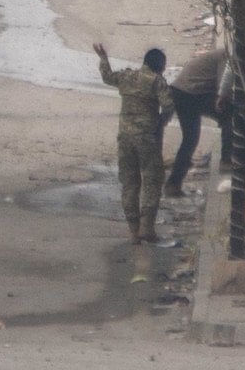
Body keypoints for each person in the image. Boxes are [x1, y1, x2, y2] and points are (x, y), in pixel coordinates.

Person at [95, 43, 174, 244]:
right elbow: (168, 106)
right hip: (147, 138)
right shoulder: (156, 81)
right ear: (160, 65)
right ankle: (147, 228)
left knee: (129, 183)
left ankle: (133, 231)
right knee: (152, 180)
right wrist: (160, 123)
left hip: (125, 138)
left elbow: (107, 77)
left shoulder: (127, 76)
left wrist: (103, 58)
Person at [165, 49, 235, 197]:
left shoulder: (223, 55)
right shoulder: (226, 57)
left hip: (182, 92)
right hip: (191, 94)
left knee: (190, 140)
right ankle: (226, 160)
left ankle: (173, 184)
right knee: (229, 115)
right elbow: (223, 87)